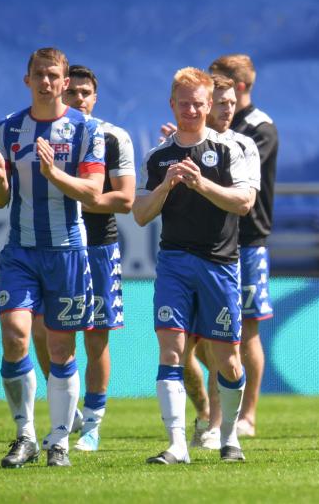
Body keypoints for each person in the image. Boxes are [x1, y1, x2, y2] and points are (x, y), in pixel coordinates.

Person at [0, 47, 106, 468]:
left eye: (54, 75)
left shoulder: (86, 130)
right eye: (39, 74)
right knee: (16, 335)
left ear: (65, 82)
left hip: (68, 251)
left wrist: (55, 175)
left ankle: (59, 441)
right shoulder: (8, 129)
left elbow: (94, 192)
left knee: (60, 349)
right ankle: (25, 435)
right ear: (27, 79)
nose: (47, 82)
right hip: (21, 250)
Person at [134, 68, 256, 464]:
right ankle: (176, 444)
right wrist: (167, 185)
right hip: (173, 261)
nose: (191, 110)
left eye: (198, 103)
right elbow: (139, 214)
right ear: (172, 104)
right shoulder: (157, 157)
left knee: (229, 360)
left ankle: (229, 437)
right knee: (171, 350)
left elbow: (243, 203)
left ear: (209, 105)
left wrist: (201, 183)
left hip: (219, 263)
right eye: (183, 103)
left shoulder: (229, 150)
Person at [60, 65, 135, 452]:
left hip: (98, 246)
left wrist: (78, 195)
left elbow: (124, 199)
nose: (79, 99)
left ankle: (92, 425)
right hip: (55, 245)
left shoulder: (113, 136)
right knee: (45, 332)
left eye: (85, 92)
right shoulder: (47, 136)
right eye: (71, 92)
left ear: (96, 96)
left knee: (96, 337)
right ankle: (67, 409)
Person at [209, 54, 279, 439]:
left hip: (248, 240)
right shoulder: (212, 123)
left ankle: (247, 414)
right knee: (207, 332)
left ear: (236, 87)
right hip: (210, 238)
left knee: (246, 330)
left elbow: (234, 173)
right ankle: (212, 410)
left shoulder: (259, 128)